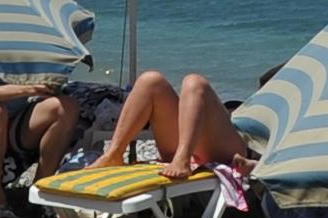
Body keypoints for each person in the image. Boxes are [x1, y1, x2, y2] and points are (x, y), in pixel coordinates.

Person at [0, 69, 126, 218]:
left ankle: (38, 194)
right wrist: (28, 89)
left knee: (66, 107)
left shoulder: (35, 51)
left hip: (14, 121)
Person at [99, 68, 252, 174]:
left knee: (194, 82)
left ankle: (183, 157)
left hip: (227, 150)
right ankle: (114, 154)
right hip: (193, 142)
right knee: (150, 80)